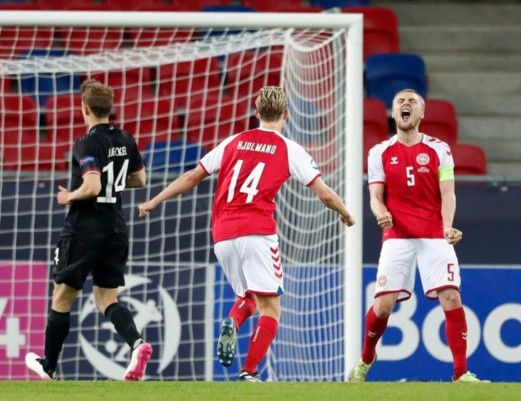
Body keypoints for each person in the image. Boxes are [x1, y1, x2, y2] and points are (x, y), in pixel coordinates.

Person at [138, 86, 355, 382]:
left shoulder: (234, 141)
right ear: (286, 115)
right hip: (257, 231)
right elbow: (324, 194)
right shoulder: (289, 149)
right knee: (271, 307)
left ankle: (233, 320)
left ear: (256, 113)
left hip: (223, 235)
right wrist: (345, 212)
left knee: (249, 296)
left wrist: (154, 200)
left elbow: (192, 176)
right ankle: (248, 371)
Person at [347, 89, 488, 383]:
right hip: (397, 235)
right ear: (394, 112)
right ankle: (366, 357)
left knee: (451, 295)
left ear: (422, 113)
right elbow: (375, 196)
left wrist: (447, 225)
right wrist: (379, 211)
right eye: (400, 101)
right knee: (384, 304)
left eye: (413, 102)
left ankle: (461, 373)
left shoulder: (439, 149)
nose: (406, 105)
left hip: (434, 235)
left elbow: (448, 193)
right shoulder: (379, 152)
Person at [25, 79, 153, 381]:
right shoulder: (126, 138)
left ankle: (50, 366)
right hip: (116, 228)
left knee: (62, 297)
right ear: (110, 109)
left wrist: (70, 195)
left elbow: (93, 184)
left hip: (85, 229)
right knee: (107, 298)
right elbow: (140, 180)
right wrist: (114, 182)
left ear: (85, 109)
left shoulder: (86, 143)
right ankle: (137, 344)